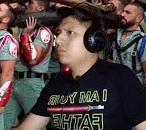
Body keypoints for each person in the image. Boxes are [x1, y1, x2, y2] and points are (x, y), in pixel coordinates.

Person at [13, 7, 146, 130]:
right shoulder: (55, 83)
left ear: (94, 39)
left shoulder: (120, 77)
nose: (58, 40)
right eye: (59, 32)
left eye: (70, 32)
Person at [5, 14, 53, 129]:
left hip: (31, 82)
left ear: (40, 10)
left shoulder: (43, 32)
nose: (26, 5)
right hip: (15, 81)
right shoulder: (24, 30)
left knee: (36, 125)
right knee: (4, 120)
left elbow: (33, 59)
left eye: (31, 3)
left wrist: (26, 35)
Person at [110, 2, 146, 84]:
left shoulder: (142, 40)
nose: (122, 14)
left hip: (133, 86)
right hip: (115, 83)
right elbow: (111, 60)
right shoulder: (116, 35)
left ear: (139, 18)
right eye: (123, 11)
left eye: (128, 12)